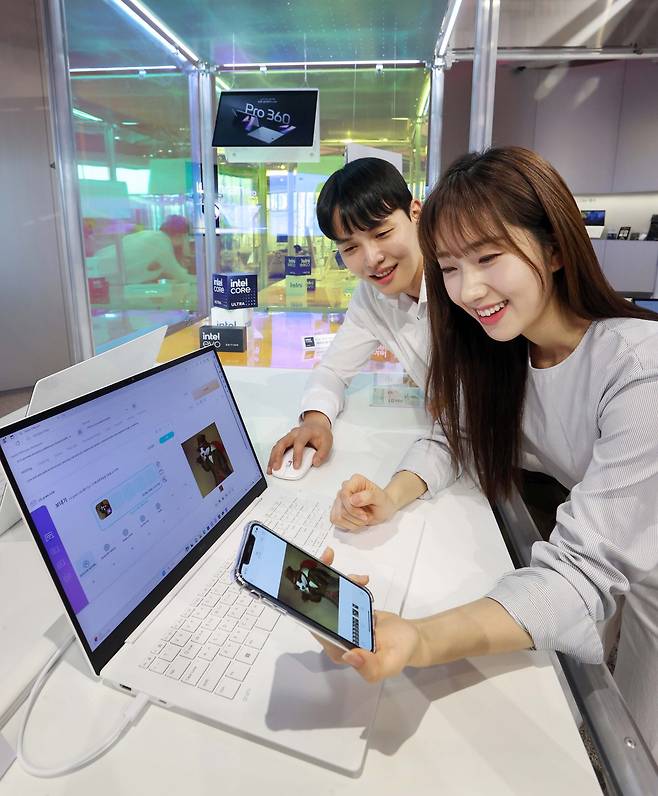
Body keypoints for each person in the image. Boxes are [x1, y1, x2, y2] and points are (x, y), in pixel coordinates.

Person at [318, 146, 658, 761]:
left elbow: (580, 571)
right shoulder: (504, 350)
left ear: (554, 248)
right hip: (622, 558)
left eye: (488, 257)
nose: (468, 289)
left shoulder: (637, 366)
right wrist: (391, 495)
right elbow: (459, 434)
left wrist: (421, 639)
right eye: (449, 267)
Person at [267, 158, 433, 503]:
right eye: (351, 247)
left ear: (415, 213)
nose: (372, 259)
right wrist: (316, 420)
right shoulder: (371, 296)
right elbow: (333, 370)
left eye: (382, 233)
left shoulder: (462, 283)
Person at [86, 215, 196, 285]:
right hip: (98, 276)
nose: (185, 242)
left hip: (94, 269)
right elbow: (181, 276)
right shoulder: (162, 243)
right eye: (186, 238)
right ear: (179, 235)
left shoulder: (150, 235)